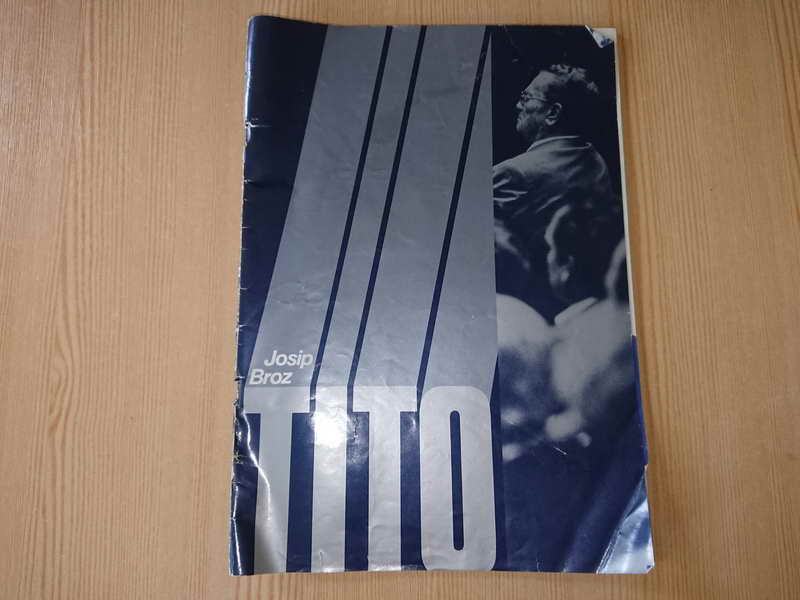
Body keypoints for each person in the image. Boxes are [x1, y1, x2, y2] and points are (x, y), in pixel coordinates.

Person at [493, 64, 614, 320]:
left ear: (553, 113)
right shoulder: (596, 161)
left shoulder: (513, 174)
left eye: (526, 98)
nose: (517, 105)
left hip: (523, 310)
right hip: (588, 305)